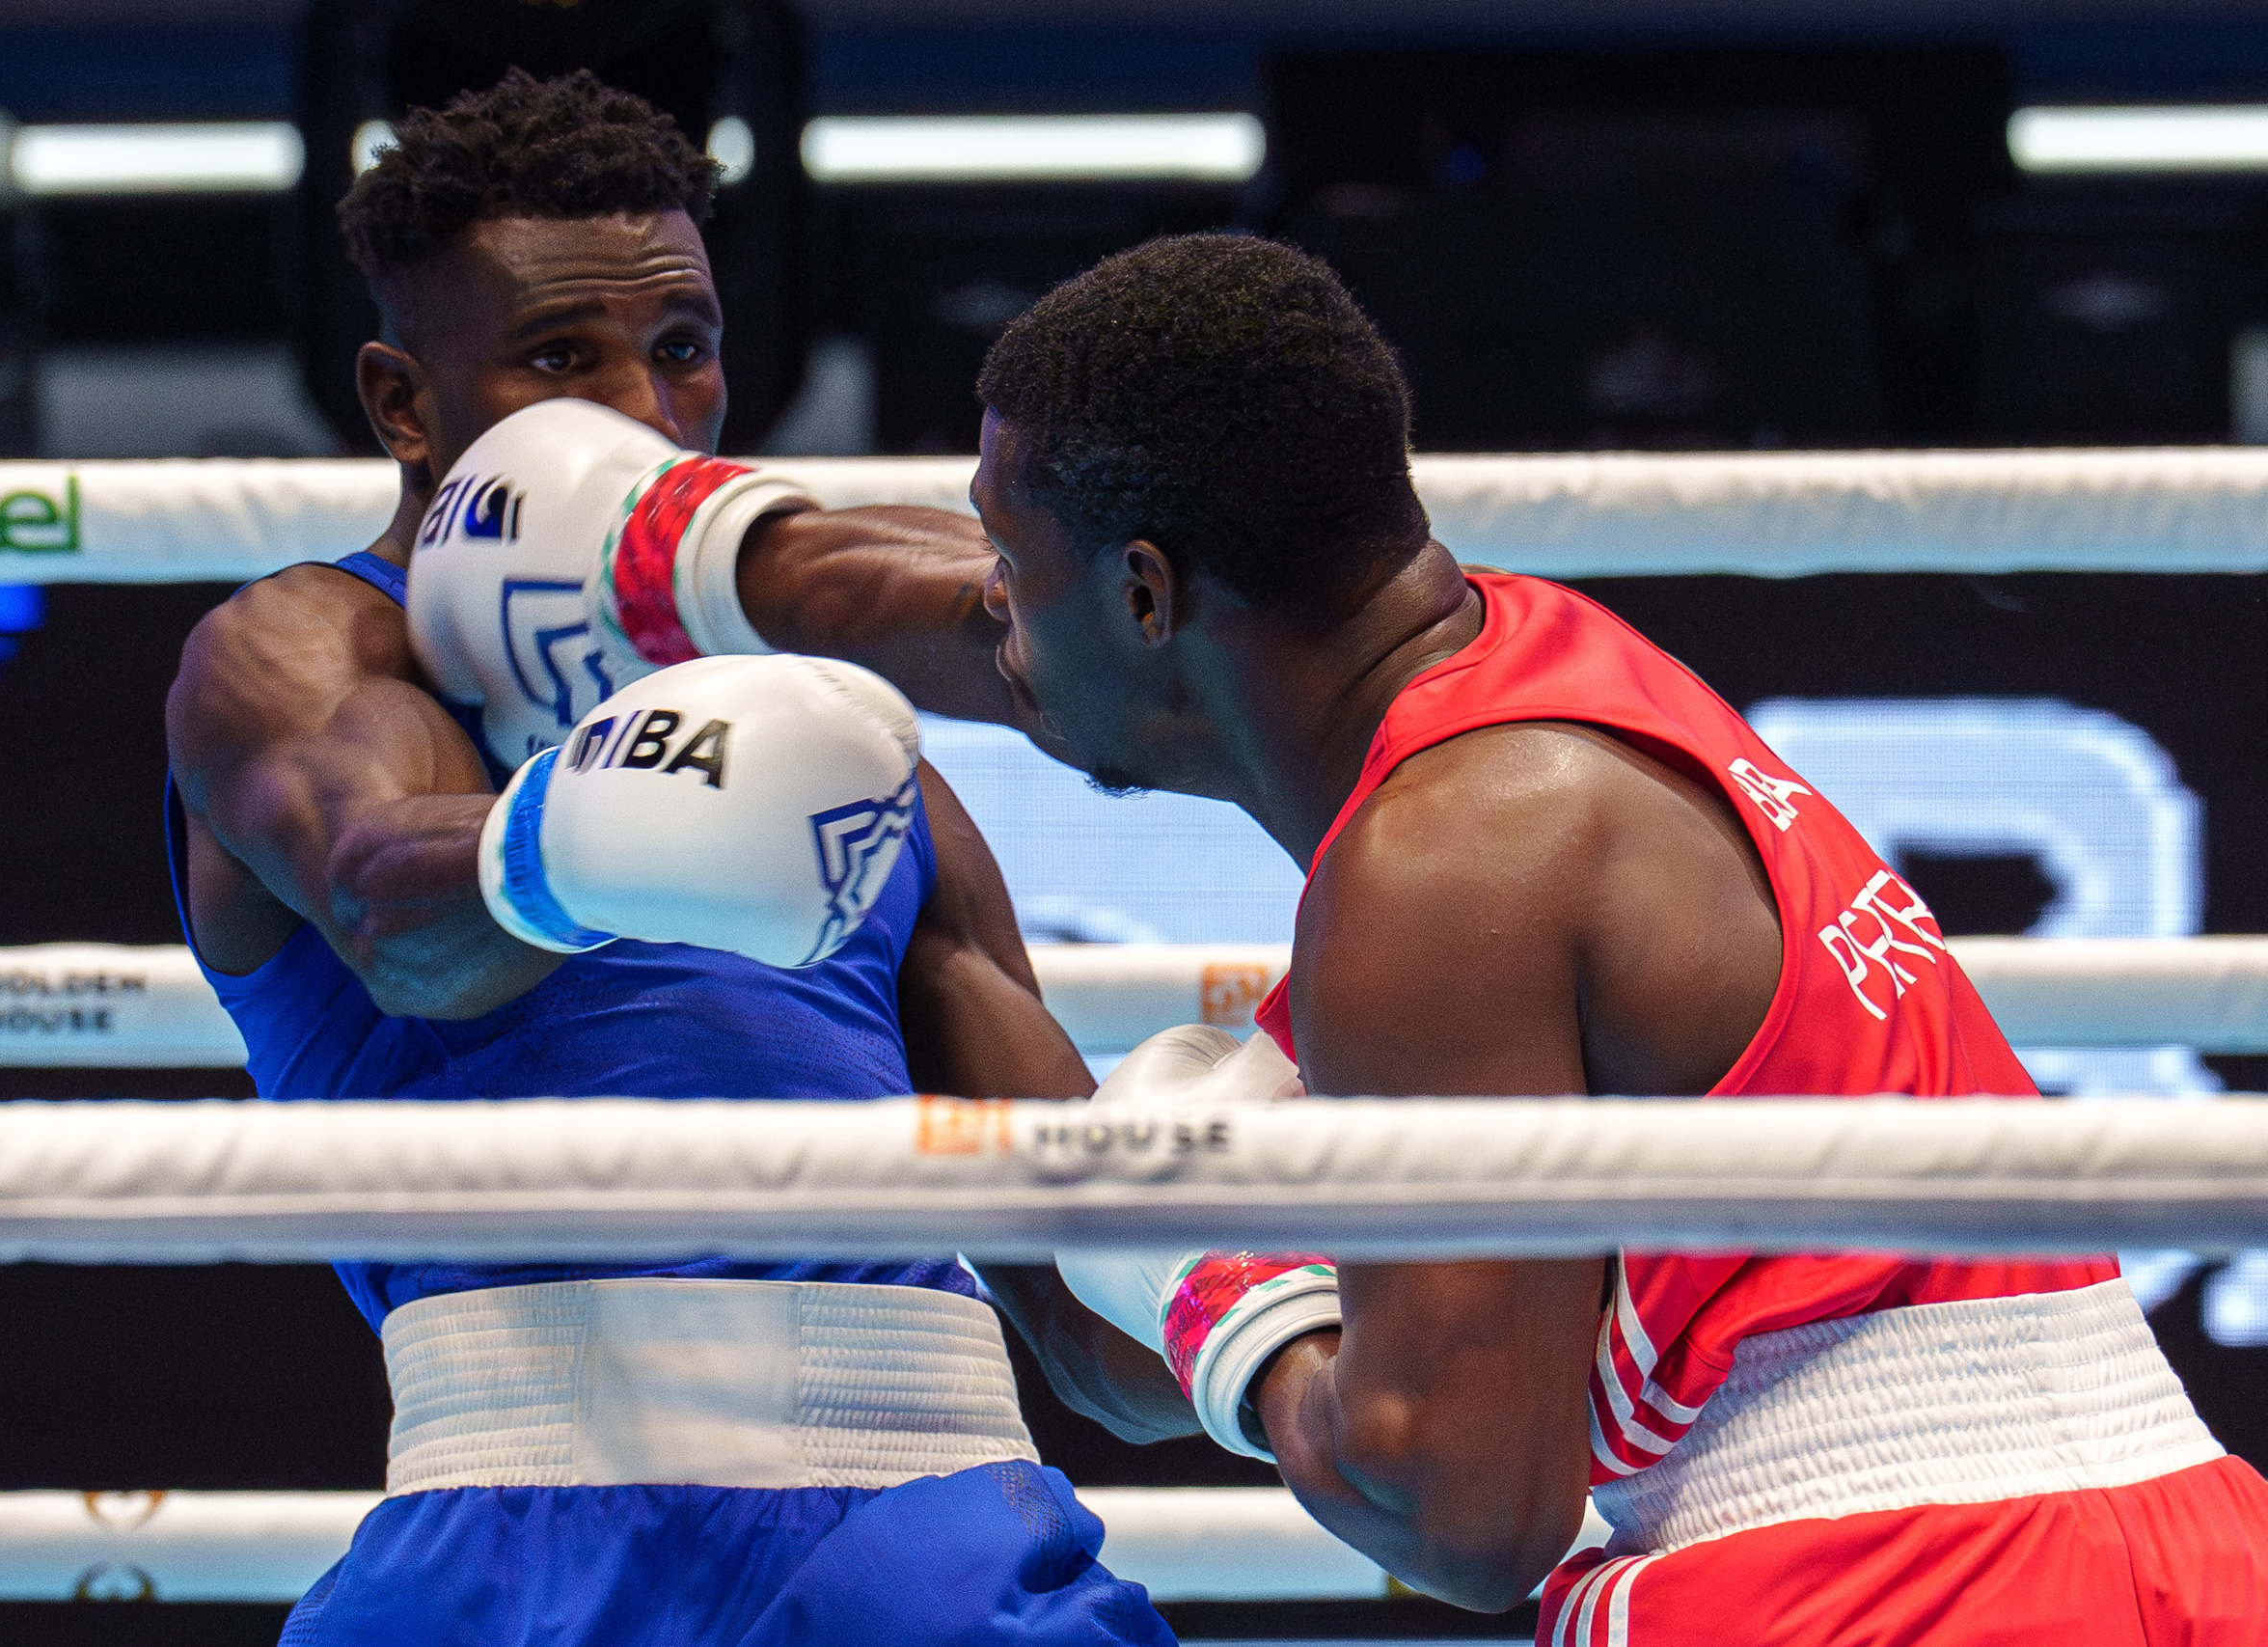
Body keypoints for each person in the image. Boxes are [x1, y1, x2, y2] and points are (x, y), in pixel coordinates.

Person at [628, 233, 2268, 1642]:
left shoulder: (1445, 874)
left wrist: (1220, 1295)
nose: (988, 613)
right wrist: (916, 932)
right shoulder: (1534, 685)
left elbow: (1461, 1514)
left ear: (1144, 598)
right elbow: (1118, 1353)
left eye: (1009, 562)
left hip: (1890, 1589)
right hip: (2172, 1548)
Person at [164, 69, 1182, 1647]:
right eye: (562, 359)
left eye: (683, 350)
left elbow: (1087, 1324)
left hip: (937, 1537)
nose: (643, 415)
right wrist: (650, 802)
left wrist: (1258, 1270)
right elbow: (401, 915)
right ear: (402, 402)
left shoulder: (857, 763)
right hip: (514, 1537)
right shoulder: (304, 651)